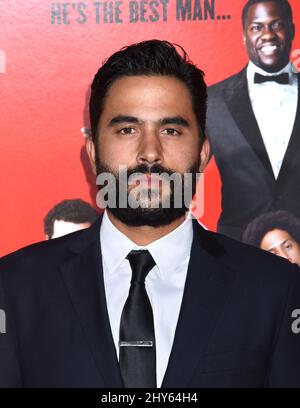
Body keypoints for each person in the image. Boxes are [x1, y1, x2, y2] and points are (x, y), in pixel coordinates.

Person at [0, 40, 299, 388]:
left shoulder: (274, 289)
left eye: (171, 130)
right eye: (127, 130)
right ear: (93, 152)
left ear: (203, 153)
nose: (150, 153)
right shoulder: (14, 287)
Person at [206, 0, 300, 241]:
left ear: (292, 30)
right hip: (239, 247)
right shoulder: (212, 100)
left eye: (276, 25)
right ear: (244, 36)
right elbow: (185, 169)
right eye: (256, 28)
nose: (267, 35)